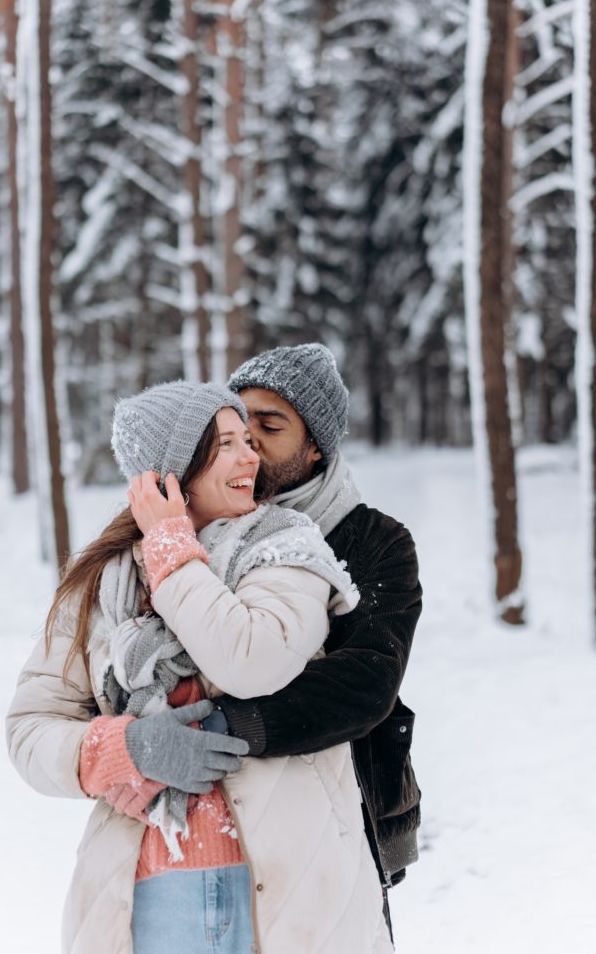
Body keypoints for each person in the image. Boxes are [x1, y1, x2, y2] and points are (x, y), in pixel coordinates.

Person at [7, 380, 391, 954]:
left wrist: (169, 548)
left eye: (249, 440)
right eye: (226, 444)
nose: (251, 456)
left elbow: (251, 661)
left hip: (291, 888)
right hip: (147, 897)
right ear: (171, 472)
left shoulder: (286, 548)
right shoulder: (99, 586)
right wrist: (124, 749)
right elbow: (30, 729)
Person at [206, 343, 423, 944]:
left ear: (316, 446)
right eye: (237, 422)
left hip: (350, 809)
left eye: (270, 426)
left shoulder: (376, 541)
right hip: (228, 810)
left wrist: (222, 726)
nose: (247, 441)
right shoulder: (208, 531)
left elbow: (365, 682)